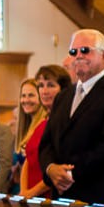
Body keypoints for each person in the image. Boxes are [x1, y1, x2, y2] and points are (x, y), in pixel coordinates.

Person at [37, 29, 104, 207]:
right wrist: (51, 169)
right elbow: (47, 143)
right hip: (62, 197)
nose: (78, 56)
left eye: (85, 50)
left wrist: (69, 175)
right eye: (73, 52)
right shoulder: (63, 96)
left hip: (100, 198)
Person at [19, 64, 70, 198]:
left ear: (63, 89)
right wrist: (24, 191)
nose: (44, 91)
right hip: (31, 198)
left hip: (49, 197)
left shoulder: (65, 123)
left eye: (51, 85)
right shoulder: (43, 123)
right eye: (41, 85)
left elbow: (58, 167)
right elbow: (28, 161)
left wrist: (32, 193)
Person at [1, 78, 42, 195]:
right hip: (20, 191)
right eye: (23, 96)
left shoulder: (45, 125)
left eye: (31, 95)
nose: (26, 100)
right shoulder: (25, 128)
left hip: (35, 192)